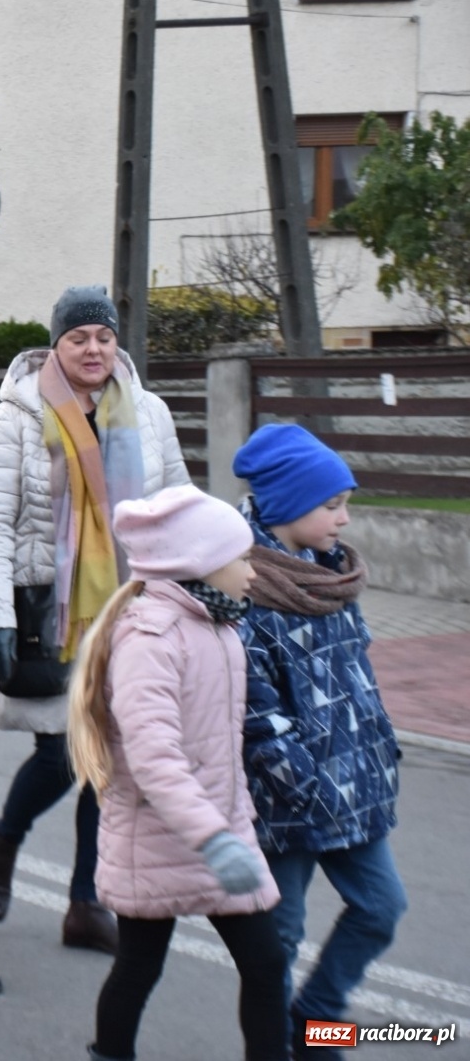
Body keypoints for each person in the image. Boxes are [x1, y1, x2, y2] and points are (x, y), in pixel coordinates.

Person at [0, 284, 189, 956]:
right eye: (78, 338)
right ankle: (5, 837)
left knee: (113, 759)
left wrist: (192, 588)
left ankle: (87, 902)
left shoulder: (147, 412)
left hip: (132, 602)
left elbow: (178, 496)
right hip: (51, 608)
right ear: (56, 344)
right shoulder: (16, 417)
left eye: (104, 336)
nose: (93, 349)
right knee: (67, 751)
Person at [67, 484, 286, 1061]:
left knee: (266, 965)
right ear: (202, 566)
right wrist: (212, 837)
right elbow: (154, 755)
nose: (251, 573)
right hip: (166, 839)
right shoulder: (151, 637)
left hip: (223, 830)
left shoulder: (220, 624)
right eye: (241, 559)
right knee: (139, 967)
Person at [232, 425, 406, 1055]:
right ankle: (277, 1042)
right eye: (331, 505)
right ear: (286, 507)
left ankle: (317, 1019)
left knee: (382, 908)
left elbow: (359, 681)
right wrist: (301, 781)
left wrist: (380, 749)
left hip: (352, 786)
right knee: (279, 936)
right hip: (291, 799)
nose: (344, 519)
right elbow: (256, 711)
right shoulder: (248, 589)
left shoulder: (333, 578)